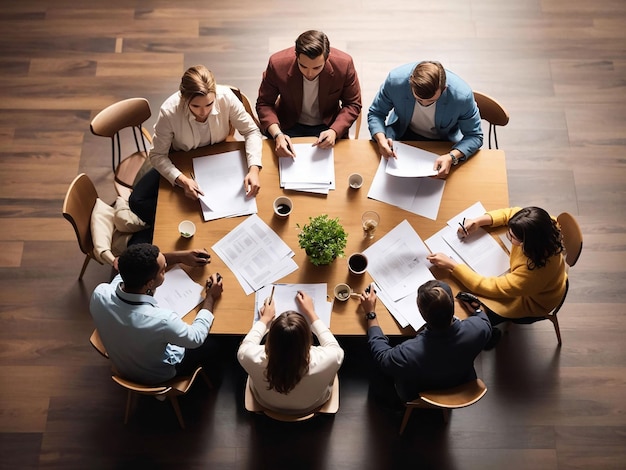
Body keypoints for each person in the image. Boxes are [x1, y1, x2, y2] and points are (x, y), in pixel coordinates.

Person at [129, 65, 263, 229]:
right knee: (136, 201)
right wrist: (182, 180)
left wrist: (254, 169)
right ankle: (170, 227)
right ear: (184, 99)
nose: (203, 112)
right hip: (182, 159)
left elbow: (251, 131)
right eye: (196, 106)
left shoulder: (226, 97)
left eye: (209, 104)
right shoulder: (169, 111)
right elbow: (157, 155)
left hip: (219, 154)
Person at [90, 243, 223, 385]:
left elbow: (144, 267)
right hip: (157, 375)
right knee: (218, 341)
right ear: (149, 283)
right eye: (163, 271)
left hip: (122, 359)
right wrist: (210, 297)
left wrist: (180, 257)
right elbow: (195, 338)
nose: (165, 268)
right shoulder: (163, 320)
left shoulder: (101, 293)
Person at [427, 206, 567, 329]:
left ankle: (489, 332)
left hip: (533, 301)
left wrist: (453, 265)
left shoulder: (534, 274)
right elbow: (510, 214)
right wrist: (479, 221)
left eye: (512, 236)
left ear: (528, 244)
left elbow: (489, 286)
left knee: (481, 312)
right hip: (550, 283)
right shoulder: (546, 225)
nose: (509, 236)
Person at [359, 280, 491, 406]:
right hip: (460, 381)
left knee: (375, 368)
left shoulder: (408, 353)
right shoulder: (479, 328)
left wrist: (371, 314)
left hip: (420, 392)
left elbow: (382, 357)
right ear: (453, 305)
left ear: (422, 315)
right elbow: (483, 318)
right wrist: (477, 308)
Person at [256, 30, 362, 158]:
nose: (310, 73)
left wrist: (334, 131)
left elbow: (353, 104)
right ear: (296, 56)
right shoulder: (277, 64)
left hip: (328, 126)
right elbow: (264, 103)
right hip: (287, 125)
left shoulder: (344, 65)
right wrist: (277, 134)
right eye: (303, 66)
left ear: (327, 58)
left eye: (317, 68)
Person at [367, 60, 483, 178]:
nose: (424, 104)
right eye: (419, 99)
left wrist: (452, 157)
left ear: (444, 89)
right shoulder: (395, 81)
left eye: (431, 101)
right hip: (401, 136)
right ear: (410, 83)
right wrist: (381, 140)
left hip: (443, 143)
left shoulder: (462, 96)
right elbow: (376, 113)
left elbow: (475, 136)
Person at [237, 290, 344, 415]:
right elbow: (334, 346)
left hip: (267, 403)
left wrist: (265, 319)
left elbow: (246, 344)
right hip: (312, 404)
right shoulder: (328, 358)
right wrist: (311, 313)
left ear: (270, 339)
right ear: (308, 339)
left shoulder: (250, 357)